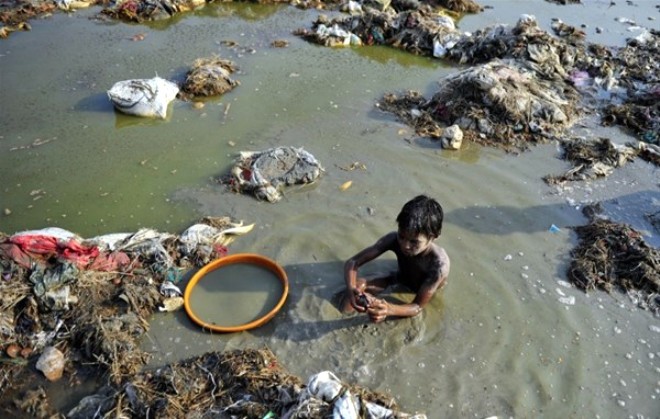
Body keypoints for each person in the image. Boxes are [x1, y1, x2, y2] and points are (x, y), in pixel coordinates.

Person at [341, 195, 450, 323]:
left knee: (383, 310)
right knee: (358, 286)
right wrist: (351, 289)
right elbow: (353, 262)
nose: (405, 245)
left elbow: (417, 306)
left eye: (414, 242)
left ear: (433, 237)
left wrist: (388, 309)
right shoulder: (393, 240)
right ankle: (342, 316)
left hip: (420, 291)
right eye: (401, 236)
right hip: (399, 278)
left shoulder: (439, 266)